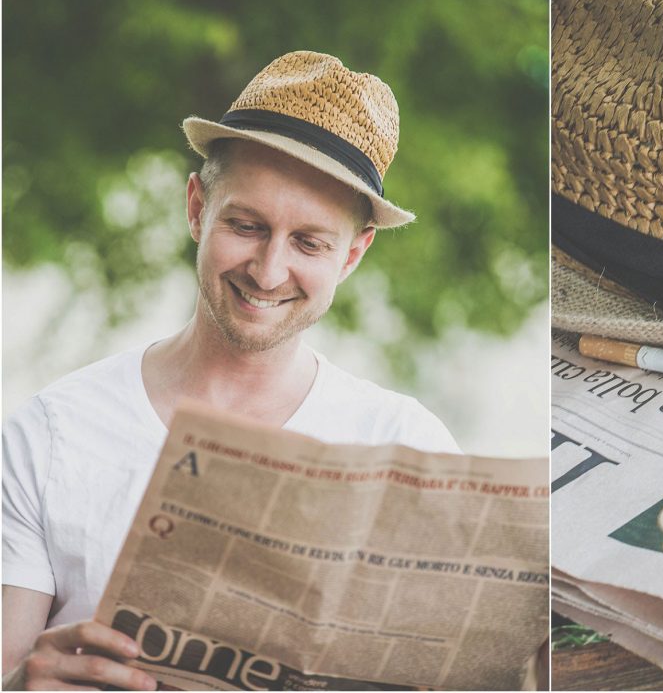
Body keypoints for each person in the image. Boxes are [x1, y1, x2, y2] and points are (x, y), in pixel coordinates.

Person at [2, 51, 460, 690]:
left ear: (353, 255)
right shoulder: (48, 436)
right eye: (246, 226)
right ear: (196, 209)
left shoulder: (407, 446)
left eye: (309, 243)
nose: (269, 272)